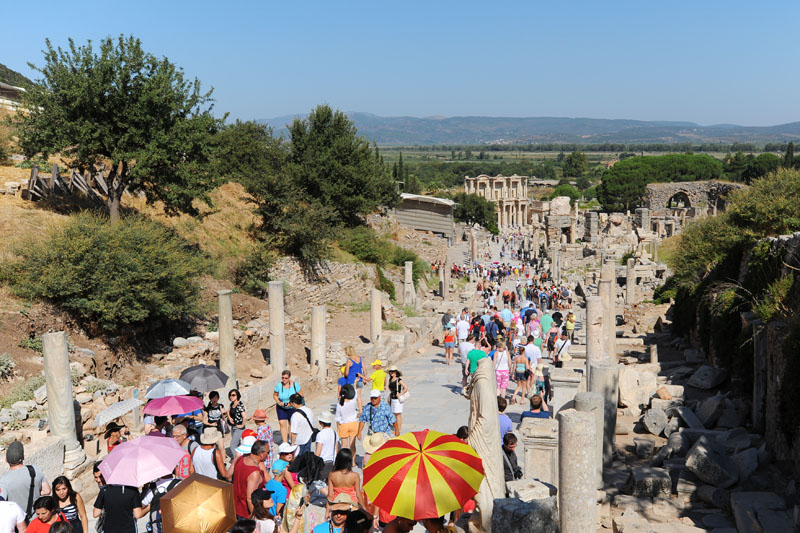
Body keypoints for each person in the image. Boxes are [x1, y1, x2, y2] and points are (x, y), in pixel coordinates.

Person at [0, 441, 51, 523]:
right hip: (36, 520)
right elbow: (47, 491)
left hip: (18, 524)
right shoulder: (35, 470)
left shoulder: (3, 480)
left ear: (6, 460)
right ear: (23, 457)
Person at [233, 440, 269, 520]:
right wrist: (256, 518)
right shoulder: (254, 473)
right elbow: (250, 499)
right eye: (268, 452)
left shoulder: (241, 459)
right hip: (246, 513)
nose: (268, 455)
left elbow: (229, 476)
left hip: (236, 507)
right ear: (261, 454)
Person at [272, 371, 302, 444]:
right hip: (281, 407)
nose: (284, 379)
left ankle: (292, 440)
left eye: (286, 378)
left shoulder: (295, 385)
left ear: (289, 378)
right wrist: (279, 402)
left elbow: (301, 395)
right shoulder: (279, 385)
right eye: (283, 378)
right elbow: (275, 395)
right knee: (282, 423)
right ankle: (285, 442)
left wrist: (292, 402)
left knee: (291, 423)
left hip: (292, 407)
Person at [315, 412, 338, 480]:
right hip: (332, 462)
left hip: (323, 463)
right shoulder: (334, 433)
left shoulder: (320, 434)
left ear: (320, 423)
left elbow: (318, 452)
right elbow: (336, 450)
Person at [386, 366, 408, 437]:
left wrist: (401, 394)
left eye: (393, 371)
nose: (392, 373)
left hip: (397, 399)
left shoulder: (399, 380)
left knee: (398, 414)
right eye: (391, 371)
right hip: (392, 398)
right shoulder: (390, 379)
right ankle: (396, 428)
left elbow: (406, 387)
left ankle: (399, 429)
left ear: (396, 372)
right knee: (394, 414)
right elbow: (389, 387)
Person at [227, 389, 247, 460]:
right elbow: (228, 411)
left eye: (233, 395)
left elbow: (245, 417)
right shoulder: (232, 404)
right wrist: (229, 418)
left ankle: (237, 460)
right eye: (230, 395)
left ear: (237, 396)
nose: (231, 397)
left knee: (233, 445)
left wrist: (242, 425)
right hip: (233, 427)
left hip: (239, 428)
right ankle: (241, 458)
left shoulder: (239, 405)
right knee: (237, 444)